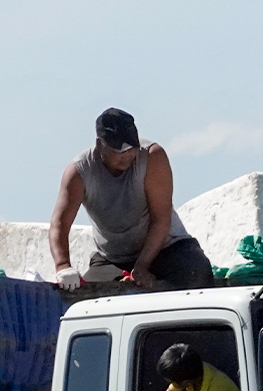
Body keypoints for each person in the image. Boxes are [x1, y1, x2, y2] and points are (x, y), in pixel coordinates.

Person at [50, 107, 214, 292]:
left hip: (166, 249)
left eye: (131, 148)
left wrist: (142, 266)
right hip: (112, 259)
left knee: (196, 273)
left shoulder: (152, 157)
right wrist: (63, 265)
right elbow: (59, 224)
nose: (127, 155)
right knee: (86, 295)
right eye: (119, 150)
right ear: (100, 144)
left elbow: (161, 220)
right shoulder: (79, 172)